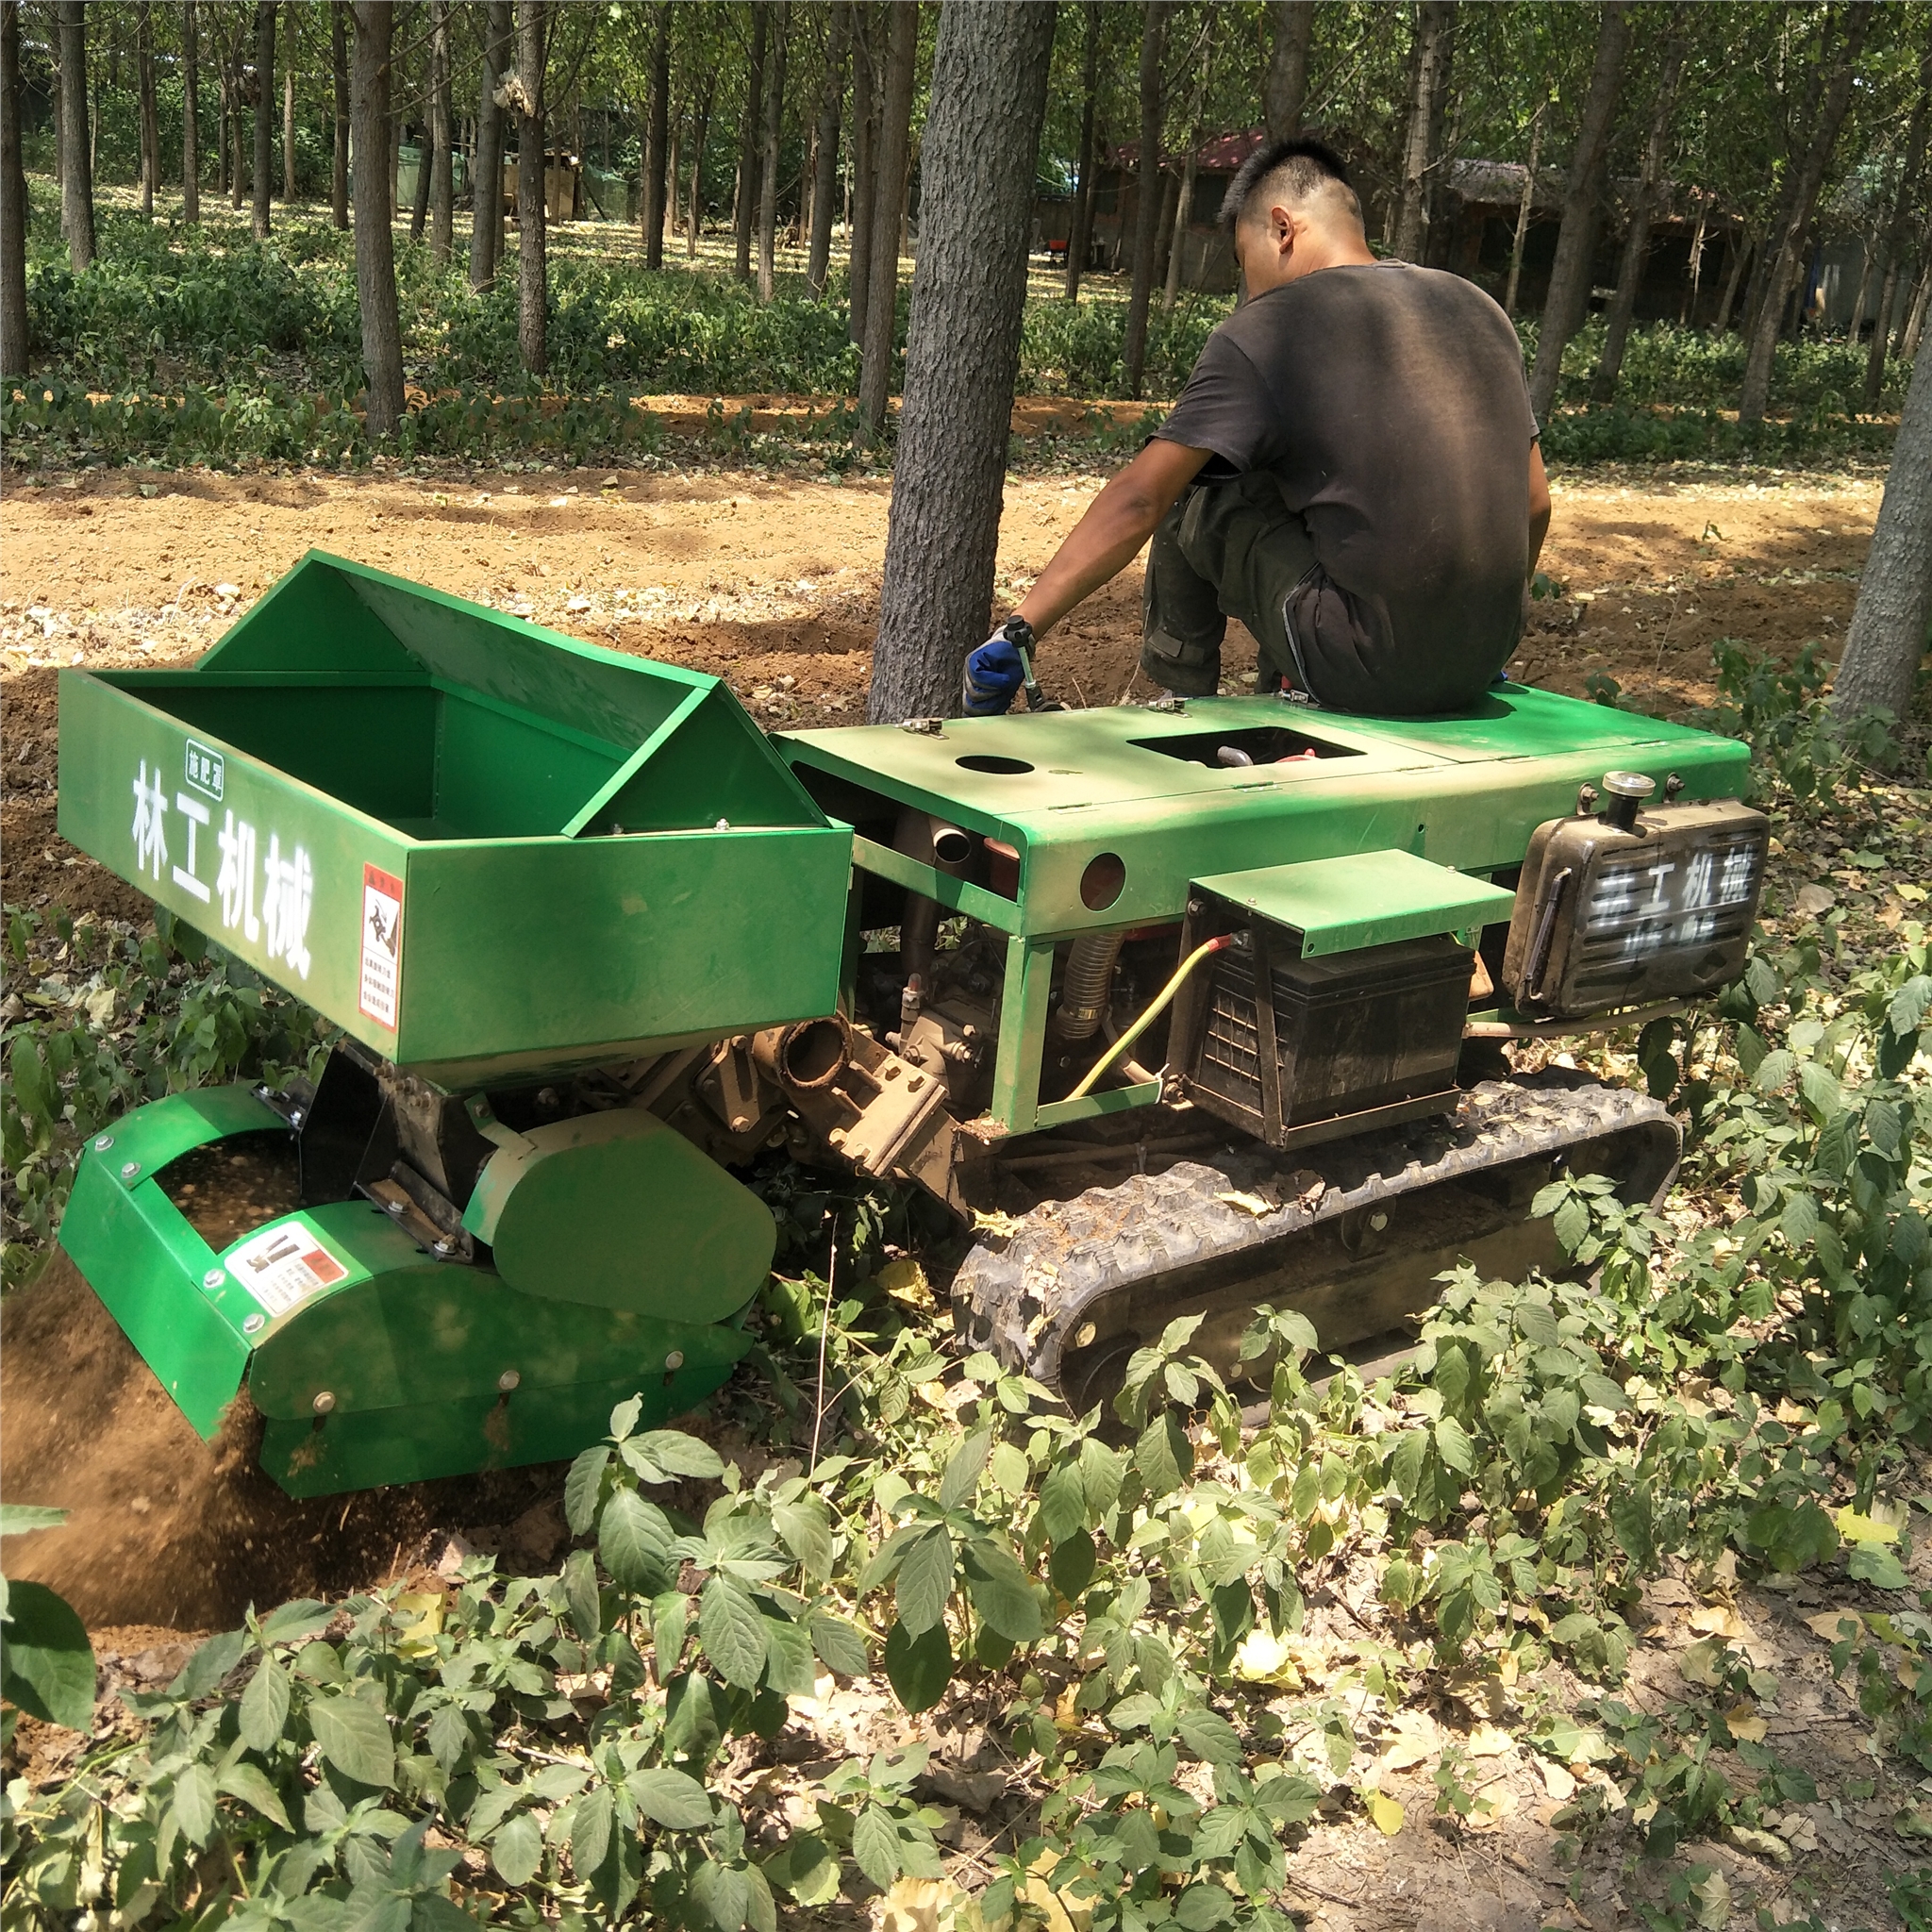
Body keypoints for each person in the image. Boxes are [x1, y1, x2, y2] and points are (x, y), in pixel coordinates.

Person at [963, 137, 1552, 720]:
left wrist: (1022, 627)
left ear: (1282, 228)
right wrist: (1475, 635)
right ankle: (1288, 676)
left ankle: (1179, 702)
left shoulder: (1270, 329)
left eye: (1246, 265)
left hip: (1366, 667)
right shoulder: (1479, 310)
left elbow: (1140, 497)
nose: (1248, 291)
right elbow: (1534, 504)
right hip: (1482, 660)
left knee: (1192, 490)